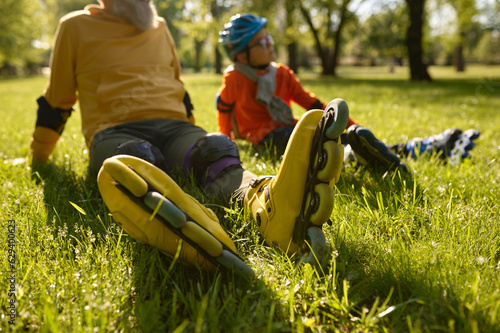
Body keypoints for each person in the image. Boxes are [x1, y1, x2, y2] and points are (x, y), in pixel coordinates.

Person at [29, 0, 350, 276]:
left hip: (176, 128)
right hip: (116, 130)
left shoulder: (159, 25)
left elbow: (177, 89)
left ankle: (268, 206)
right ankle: (193, 229)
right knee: (133, 161)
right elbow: (57, 102)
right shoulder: (75, 26)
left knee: (214, 150)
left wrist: (195, 136)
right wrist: (39, 158)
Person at [216, 13, 480, 172]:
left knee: (334, 138)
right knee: (320, 145)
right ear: (241, 54)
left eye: (269, 39)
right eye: (262, 43)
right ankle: (409, 150)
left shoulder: (282, 72)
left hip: (291, 129)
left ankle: (419, 148)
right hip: (267, 137)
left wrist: (352, 125)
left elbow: (312, 104)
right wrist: (227, 142)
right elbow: (224, 109)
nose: (270, 45)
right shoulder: (236, 77)